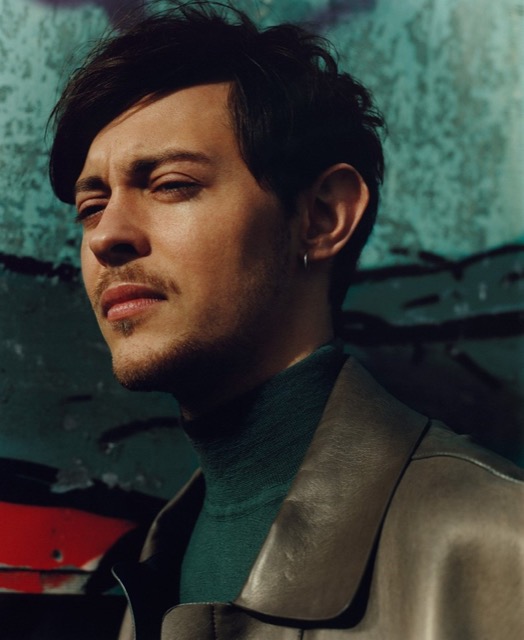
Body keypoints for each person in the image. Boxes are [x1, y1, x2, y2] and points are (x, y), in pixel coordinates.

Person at [48, 4, 524, 639]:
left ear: (322, 218)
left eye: (170, 184)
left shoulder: (499, 544)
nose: (106, 235)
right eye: (92, 205)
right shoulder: (157, 564)